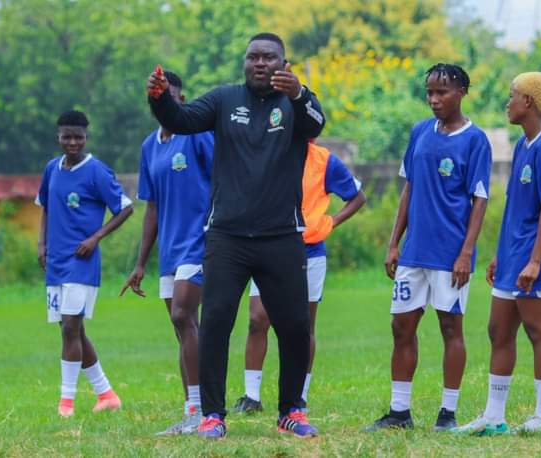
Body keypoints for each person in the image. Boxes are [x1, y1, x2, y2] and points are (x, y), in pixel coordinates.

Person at [147, 32, 325, 439]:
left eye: (269, 57)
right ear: (245, 62)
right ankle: (213, 415)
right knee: (215, 324)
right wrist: (159, 99)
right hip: (227, 237)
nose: (260, 63)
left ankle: (290, 411)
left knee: (296, 326)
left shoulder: (296, 102)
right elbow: (181, 120)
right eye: (253, 57)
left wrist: (299, 94)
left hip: (282, 234)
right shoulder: (224, 100)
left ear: (283, 63)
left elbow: (317, 123)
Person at [365, 64, 492, 432]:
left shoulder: (475, 140)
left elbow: (480, 199)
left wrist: (466, 252)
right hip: (414, 252)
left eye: (442, 92)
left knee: (451, 328)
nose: (434, 99)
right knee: (401, 326)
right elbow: (409, 188)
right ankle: (399, 412)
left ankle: (447, 414)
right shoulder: (420, 132)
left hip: (450, 255)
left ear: (462, 93)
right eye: (430, 92)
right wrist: (394, 243)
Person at [455, 71, 541, 435]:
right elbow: (517, 206)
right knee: (498, 330)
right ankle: (493, 417)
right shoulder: (523, 144)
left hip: (538, 256)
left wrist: (535, 261)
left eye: (512, 95)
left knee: (539, 331)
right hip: (513, 254)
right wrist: (501, 254)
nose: (508, 102)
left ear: (528, 102)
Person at [233, 140, 365, 413]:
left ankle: (299, 396)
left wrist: (330, 222)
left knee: (303, 327)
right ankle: (251, 396)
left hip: (309, 252)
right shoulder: (267, 151)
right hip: (268, 247)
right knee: (258, 319)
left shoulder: (324, 161)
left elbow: (357, 197)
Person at [121, 72, 214, 435]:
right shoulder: (149, 146)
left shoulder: (197, 134)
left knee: (183, 315)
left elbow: (222, 179)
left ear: (181, 99)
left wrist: (218, 229)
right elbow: (152, 208)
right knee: (183, 329)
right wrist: (140, 263)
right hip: (169, 250)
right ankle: (195, 409)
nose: (164, 100)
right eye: (158, 96)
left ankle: (203, 410)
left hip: (199, 242)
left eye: (170, 95)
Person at [36, 110, 133, 417]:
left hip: (82, 262)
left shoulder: (97, 171)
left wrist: (96, 237)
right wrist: (41, 244)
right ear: (58, 137)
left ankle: (66, 403)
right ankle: (106, 394)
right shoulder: (51, 169)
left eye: (78, 137)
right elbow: (46, 207)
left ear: (86, 138)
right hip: (56, 262)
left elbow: (125, 208)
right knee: (71, 330)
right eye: (67, 136)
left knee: (70, 328)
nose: (73, 142)